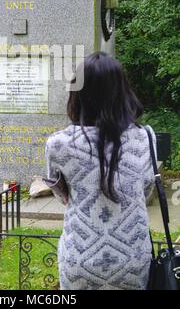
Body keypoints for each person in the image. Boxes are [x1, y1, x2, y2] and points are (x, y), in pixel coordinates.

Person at [45, 51, 156, 290]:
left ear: (77, 94)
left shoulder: (58, 144)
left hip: (80, 259)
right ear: (123, 92)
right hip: (133, 260)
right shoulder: (145, 138)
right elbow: (146, 190)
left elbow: (61, 195)